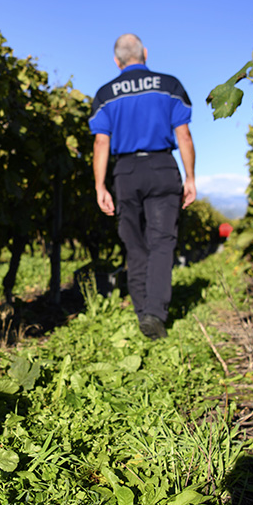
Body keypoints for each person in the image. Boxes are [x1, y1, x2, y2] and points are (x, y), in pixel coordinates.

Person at [89, 33, 196, 340]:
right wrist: (190, 177)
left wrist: (100, 186)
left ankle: (142, 313)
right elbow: (184, 137)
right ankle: (155, 313)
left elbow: (101, 142)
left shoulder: (106, 95)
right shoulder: (169, 85)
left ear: (116, 60)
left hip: (126, 171)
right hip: (163, 167)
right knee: (162, 243)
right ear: (145, 53)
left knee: (135, 244)